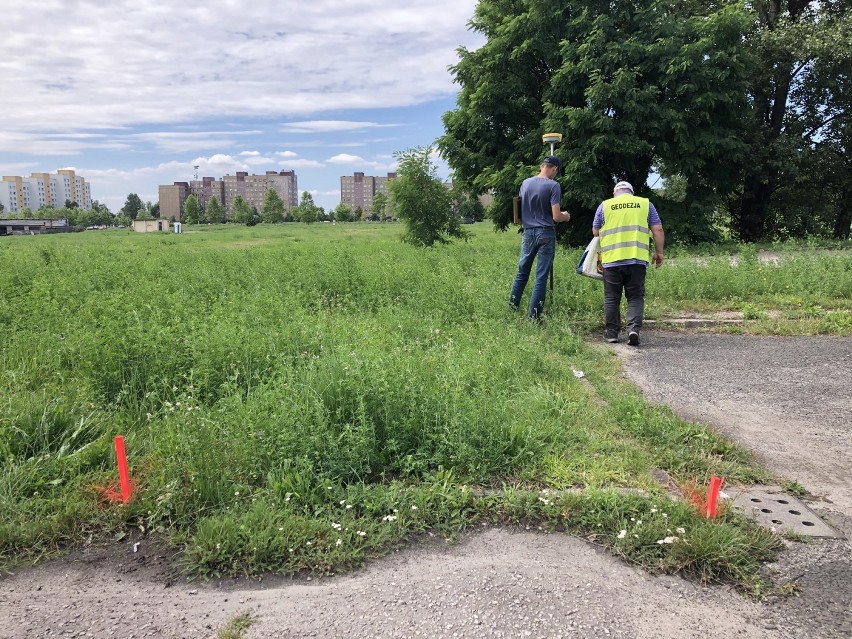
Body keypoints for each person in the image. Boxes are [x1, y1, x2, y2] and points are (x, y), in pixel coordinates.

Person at [592, 180, 664, 346]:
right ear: (631, 192)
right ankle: (633, 330)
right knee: (635, 296)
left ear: (614, 193)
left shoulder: (605, 205)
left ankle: (612, 333)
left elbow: (595, 231)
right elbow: (658, 229)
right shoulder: (645, 204)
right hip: (636, 259)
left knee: (611, 297)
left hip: (611, 260)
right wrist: (659, 252)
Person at [508, 155, 572, 320]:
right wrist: (566, 216)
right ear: (554, 169)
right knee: (541, 276)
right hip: (546, 233)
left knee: (522, 272)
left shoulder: (525, 183)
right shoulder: (554, 186)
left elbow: (520, 209)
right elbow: (556, 216)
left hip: (528, 232)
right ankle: (534, 317)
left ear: (541, 166)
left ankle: (511, 310)